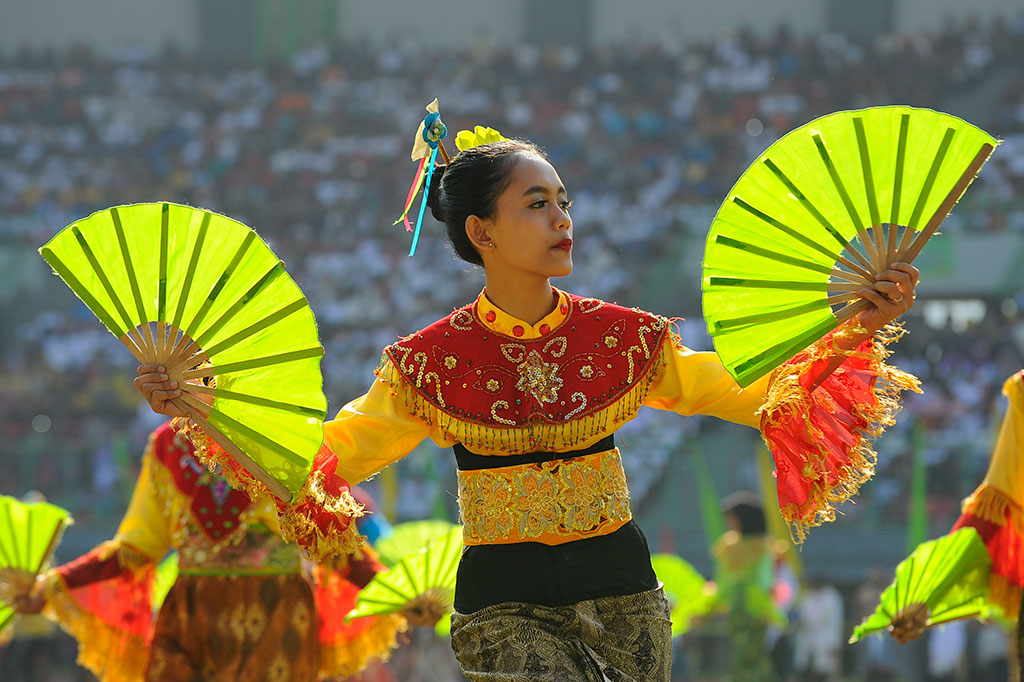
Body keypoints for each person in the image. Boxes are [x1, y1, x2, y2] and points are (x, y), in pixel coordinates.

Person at [135, 123, 921, 681]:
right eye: (537, 204)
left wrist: (857, 325)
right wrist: (201, 407)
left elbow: (753, 395)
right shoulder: (429, 362)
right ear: (482, 231)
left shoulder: (623, 337)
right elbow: (333, 453)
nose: (562, 219)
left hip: (623, 585)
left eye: (563, 200)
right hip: (501, 599)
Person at [14, 420, 406, 682]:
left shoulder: (285, 438)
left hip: (275, 618)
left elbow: (328, 542)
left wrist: (402, 595)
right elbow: (135, 549)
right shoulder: (168, 443)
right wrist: (51, 587)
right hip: (190, 620)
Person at [712, 491, 785, 682]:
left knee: (749, 655)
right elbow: (722, 580)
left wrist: (762, 605)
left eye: (732, 518)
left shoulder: (762, 547)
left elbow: (765, 580)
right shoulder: (728, 545)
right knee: (747, 654)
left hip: (754, 610)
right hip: (737, 610)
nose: (729, 523)